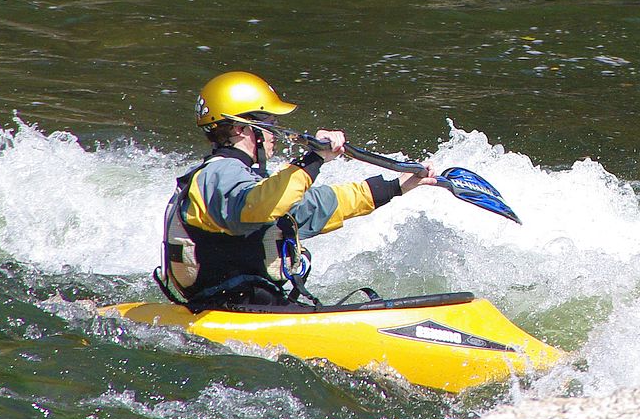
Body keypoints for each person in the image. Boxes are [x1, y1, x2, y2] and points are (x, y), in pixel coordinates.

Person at [157, 70, 435, 310]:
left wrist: (395, 187)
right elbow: (259, 206)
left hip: (248, 304)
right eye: (269, 123)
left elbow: (308, 208)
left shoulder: (244, 178)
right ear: (241, 128)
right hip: (233, 306)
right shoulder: (219, 174)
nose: (275, 133)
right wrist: (314, 159)